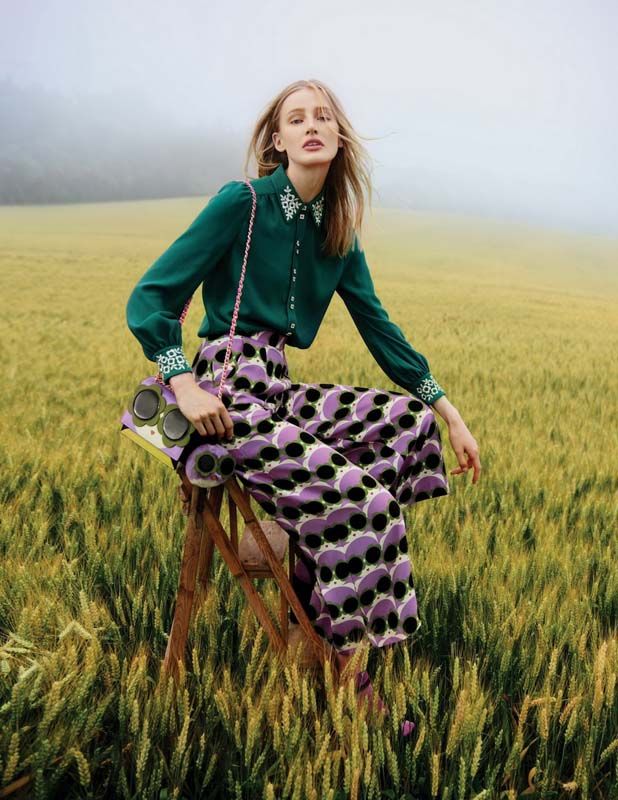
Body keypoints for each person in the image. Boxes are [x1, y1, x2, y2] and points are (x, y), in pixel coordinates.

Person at [126, 78, 481, 732]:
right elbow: (151, 296)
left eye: (323, 117)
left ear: (339, 138)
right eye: (296, 118)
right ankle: (348, 661)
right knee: (367, 500)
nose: (311, 125)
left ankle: (321, 576)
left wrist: (446, 410)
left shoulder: (336, 232)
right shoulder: (242, 204)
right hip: (226, 391)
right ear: (278, 139)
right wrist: (182, 383)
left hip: (277, 388)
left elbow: (379, 328)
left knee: (407, 426)